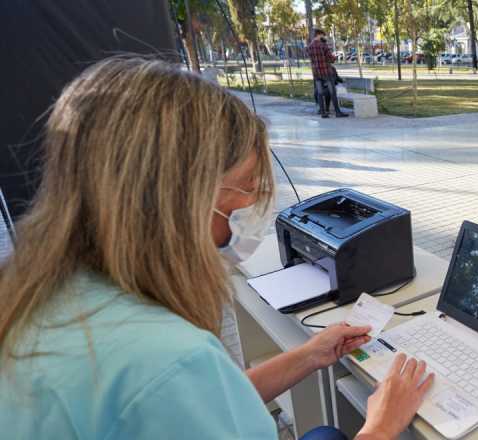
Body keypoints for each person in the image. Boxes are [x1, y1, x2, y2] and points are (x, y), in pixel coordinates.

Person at [0, 57, 431, 439]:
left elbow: (207, 401)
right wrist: (381, 427)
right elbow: (177, 389)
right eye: (244, 187)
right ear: (178, 201)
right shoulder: (166, 360)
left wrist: (309, 354)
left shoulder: (43, 294)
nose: (251, 203)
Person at [307, 29, 346, 118]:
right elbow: (331, 59)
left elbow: (312, 60)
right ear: (319, 35)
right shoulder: (323, 45)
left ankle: (323, 113)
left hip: (316, 73)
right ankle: (337, 112)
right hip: (326, 72)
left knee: (320, 93)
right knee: (332, 92)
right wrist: (334, 57)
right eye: (323, 35)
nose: (324, 37)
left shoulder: (309, 47)